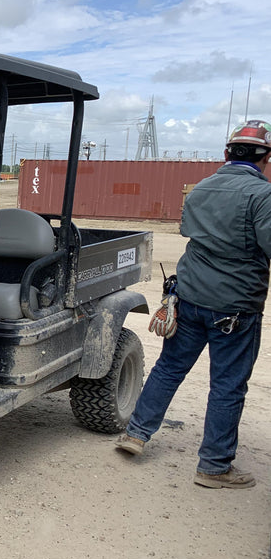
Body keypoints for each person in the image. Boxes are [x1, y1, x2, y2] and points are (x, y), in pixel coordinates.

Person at [115, 120, 271, 489]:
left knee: (169, 368)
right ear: (266, 159)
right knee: (228, 385)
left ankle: (136, 434)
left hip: (189, 296)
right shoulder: (262, 196)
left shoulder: (200, 189)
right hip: (235, 306)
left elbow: (189, 232)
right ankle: (214, 466)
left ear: (226, 154)